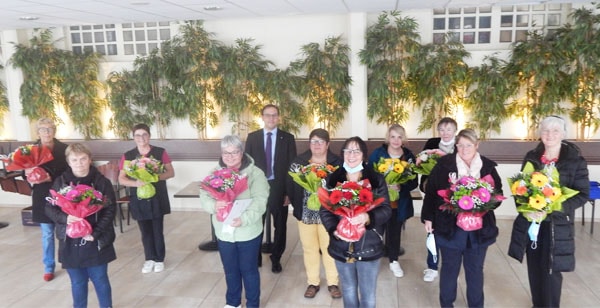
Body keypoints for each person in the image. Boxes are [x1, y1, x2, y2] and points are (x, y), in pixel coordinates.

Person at [508, 116, 589, 307]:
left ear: (563, 134)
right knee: (535, 268)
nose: (549, 135)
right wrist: (527, 208)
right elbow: (520, 188)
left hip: (557, 224)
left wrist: (553, 208)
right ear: (540, 134)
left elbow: (582, 194)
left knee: (551, 271)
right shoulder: (532, 157)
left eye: (555, 131)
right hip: (532, 222)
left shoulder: (575, 161)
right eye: (545, 130)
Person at [421, 128, 503, 308]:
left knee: (475, 270)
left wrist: (483, 204)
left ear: (476, 145)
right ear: (456, 145)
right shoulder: (444, 164)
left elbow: (498, 195)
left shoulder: (487, 167)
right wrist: (428, 218)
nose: (464, 149)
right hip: (449, 227)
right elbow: (431, 193)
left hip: (479, 230)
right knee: (450, 269)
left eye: (468, 145)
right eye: (460, 145)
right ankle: (446, 304)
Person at [320, 136, 391, 308]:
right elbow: (325, 210)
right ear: (342, 153)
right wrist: (333, 230)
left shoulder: (375, 179)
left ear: (363, 155)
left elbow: (386, 210)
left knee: (368, 295)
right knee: (349, 290)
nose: (351, 155)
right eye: (347, 150)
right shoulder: (332, 178)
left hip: (369, 245)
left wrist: (367, 218)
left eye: (356, 151)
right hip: (341, 245)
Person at [199, 135, 268, 308]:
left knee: (249, 270)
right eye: (225, 153)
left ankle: (252, 304)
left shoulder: (255, 174)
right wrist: (215, 205)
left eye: (234, 152)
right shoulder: (214, 174)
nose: (230, 156)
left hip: (248, 231)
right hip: (224, 232)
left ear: (242, 152)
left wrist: (243, 219)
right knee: (230, 270)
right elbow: (204, 196)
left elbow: (260, 202)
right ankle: (233, 302)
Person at [45, 143, 117, 308]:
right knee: (77, 282)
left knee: (100, 280)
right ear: (68, 162)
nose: (79, 163)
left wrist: (96, 233)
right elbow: (49, 208)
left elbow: (110, 209)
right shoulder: (61, 182)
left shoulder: (101, 182)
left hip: (95, 241)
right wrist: (65, 218)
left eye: (83, 159)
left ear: (90, 160)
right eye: (75, 160)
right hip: (70, 242)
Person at [286, 128, 343, 299]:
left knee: (330, 248)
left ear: (328, 144)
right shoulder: (299, 162)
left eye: (320, 141)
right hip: (306, 213)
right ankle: (313, 282)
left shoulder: (337, 163)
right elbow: (291, 185)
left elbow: (342, 187)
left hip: (329, 214)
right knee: (309, 248)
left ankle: (333, 282)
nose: (316, 145)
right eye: (313, 141)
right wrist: (297, 206)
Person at [245, 104, 297, 273]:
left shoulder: (287, 138)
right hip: (258, 188)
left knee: (280, 225)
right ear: (262, 117)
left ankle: (276, 258)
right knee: (255, 223)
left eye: (274, 115)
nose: (271, 118)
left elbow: (292, 167)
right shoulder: (252, 138)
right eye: (268, 115)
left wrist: (289, 192)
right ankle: (255, 258)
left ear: (279, 117)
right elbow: (247, 166)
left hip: (279, 187)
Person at [118, 124, 175, 274]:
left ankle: (159, 259)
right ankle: (149, 258)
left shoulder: (160, 152)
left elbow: (170, 173)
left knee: (157, 229)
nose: (141, 138)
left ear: (149, 136)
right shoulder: (128, 155)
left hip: (157, 196)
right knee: (145, 231)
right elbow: (122, 178)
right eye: (137, 135)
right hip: (138, 197)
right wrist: (136, 183)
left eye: (144, 134)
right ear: (133, 137)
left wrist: (154, 177)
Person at [367, 124, 418, 278]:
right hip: (379, 203)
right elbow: (369, 176)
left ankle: (394, 261)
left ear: (404, 139)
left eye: (399, 136)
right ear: (388, 138)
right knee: (376, 232)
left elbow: (414, 181)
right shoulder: (378, 154)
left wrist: (400, 186)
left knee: (394, 233)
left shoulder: (409, 156)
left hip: (398, 204)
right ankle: (372, 261)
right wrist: (383, 185)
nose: (396, 140)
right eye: (393, 136)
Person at [25, 118, 68, 281]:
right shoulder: (30, 150)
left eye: (50, 129)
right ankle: (49, 267)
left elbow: (68, 172)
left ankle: (67, 260)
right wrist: (31, 176)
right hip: (41, 196)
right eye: (43, 129)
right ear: (38, 132)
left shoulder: (64, 149)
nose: (47, 132)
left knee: (64, 231)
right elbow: (25, 173)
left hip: (61, 194)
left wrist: (50, 177)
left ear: (54, 131)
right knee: (47, 233)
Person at [419, 117, 458, 282]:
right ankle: (432, 266)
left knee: (454, 232)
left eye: (449, 129)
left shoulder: (460, 145)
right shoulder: (432, 143)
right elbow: (421, 163)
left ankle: (451, 266)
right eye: (442, 129)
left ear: (455, 130)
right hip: (433, 195)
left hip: (455, 196)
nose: (445, 133)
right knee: (432, 229)